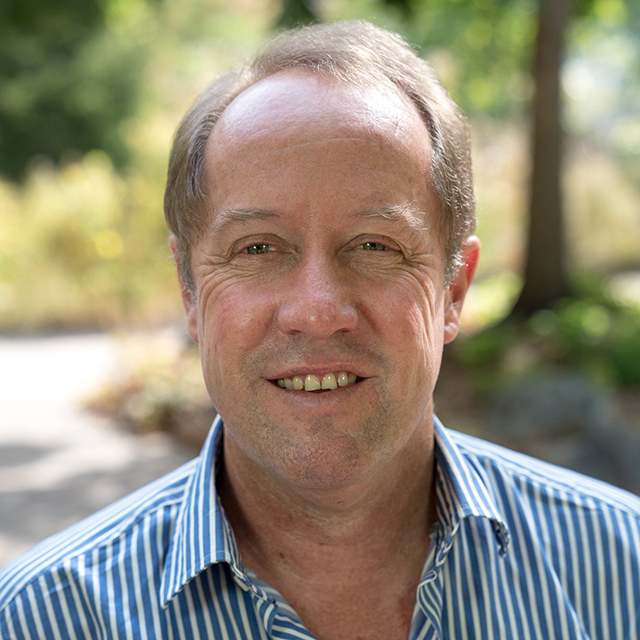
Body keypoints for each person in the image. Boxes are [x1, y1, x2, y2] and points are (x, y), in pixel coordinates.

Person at [1, 20, 639, 640]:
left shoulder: (624, 573)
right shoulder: (40, 620)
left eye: (373, 245)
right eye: (257, 249)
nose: (316, 310)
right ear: (189, 290)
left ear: (454, 290)